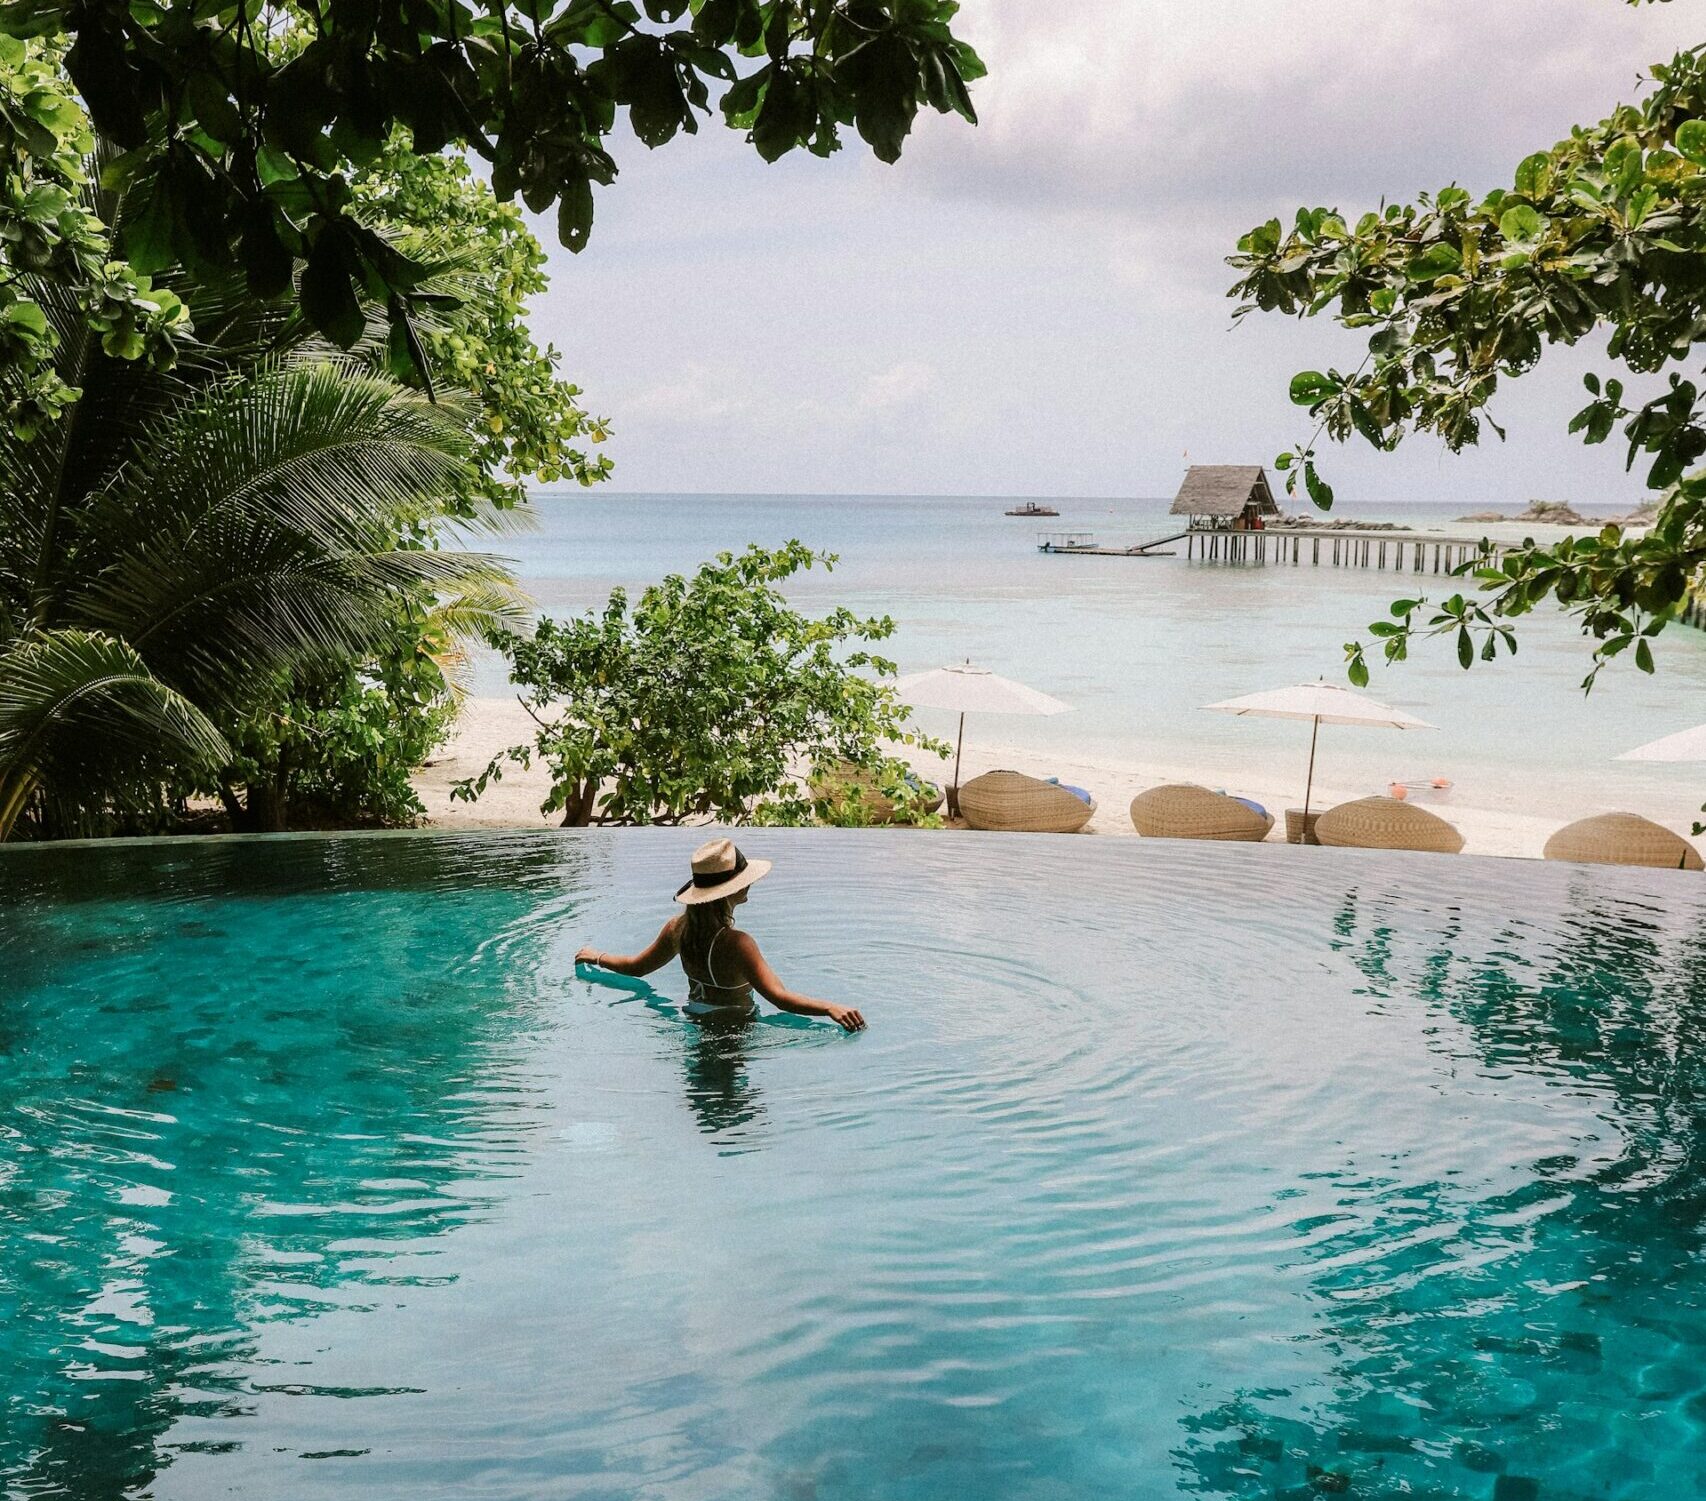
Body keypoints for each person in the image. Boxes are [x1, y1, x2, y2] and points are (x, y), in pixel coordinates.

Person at [575, 838, 866, 1032]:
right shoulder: (738, 943)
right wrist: (830, 1007)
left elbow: (636, 968)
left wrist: (598, 957)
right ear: (732, 890)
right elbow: (779, 998)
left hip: (693, 1022)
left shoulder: (678, 928)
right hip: (735, 1031)